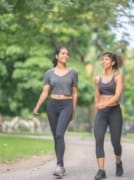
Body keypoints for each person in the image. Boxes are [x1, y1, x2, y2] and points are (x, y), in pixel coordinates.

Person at [33, 46, 78, 178]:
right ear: (57, 56)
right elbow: (45, 92)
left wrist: (73, 111)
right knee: (56, 137)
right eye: (63, 53)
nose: (66, 56)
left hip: (67, 104)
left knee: (59, 133)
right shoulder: (49, 73)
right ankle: (61, 165)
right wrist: (37, 106)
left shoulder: (73, 73)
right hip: (52, 105)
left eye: (67, 54)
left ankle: (59, 165)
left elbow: (75, 93)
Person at [93, 52, 124, 180]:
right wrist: (97, 104)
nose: (103, 62)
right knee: (99, 139)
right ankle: (101, 170)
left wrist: (104, 104)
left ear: (112, 62)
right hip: (101, 113)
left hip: (114, 112)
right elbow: (97, 94)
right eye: (102, 60)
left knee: (115, 142)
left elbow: (117, 97)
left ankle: (118, 162)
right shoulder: (97, 78)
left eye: (106, 60)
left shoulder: (118, 78)